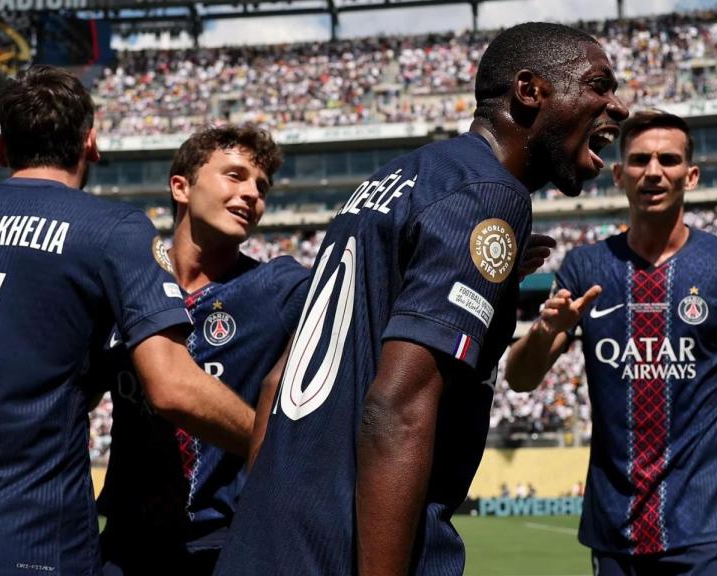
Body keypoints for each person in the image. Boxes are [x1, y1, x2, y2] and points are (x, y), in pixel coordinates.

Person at [215, 21, 628, 576]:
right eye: (599, 85)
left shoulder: (396, 180)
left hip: (268, 542)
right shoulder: (489, 193)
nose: (618, 106)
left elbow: (277, 383)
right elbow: (398, 406)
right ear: (530, 91)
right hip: (345, 550)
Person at [0, 65, 255, 576]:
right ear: (90, 143)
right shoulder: (113, 228)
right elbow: (172, 388)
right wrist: (267, 439)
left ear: (1, 149)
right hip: (35, 543)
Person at [506, 110, 717, 575]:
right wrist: (545, 330)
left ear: (691, 175)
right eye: (640, 160)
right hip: (615, 528)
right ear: (619, 175)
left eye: (668, 159)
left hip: (713, 525)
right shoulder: (586, 267)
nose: (653, 171)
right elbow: (520, 378)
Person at [88, 124, 310, 575]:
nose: (253, 194)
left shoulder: (280, 288)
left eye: (261, 186)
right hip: (124, 547)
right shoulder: (123, 288)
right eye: (235, 175)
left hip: (224, 548)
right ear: (181, 187)